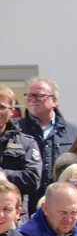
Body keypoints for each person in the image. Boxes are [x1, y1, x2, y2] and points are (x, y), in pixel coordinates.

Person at [19, 77, 77, 210]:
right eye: (29, 96)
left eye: (39, 95)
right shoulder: (15, 131)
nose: (32, 99)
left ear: (54, 100)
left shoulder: (74, 133)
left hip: (62, 207)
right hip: (25, 207)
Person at [0, 85, 42, 216]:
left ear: (12, 110)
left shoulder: (26, 143)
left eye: (1, 107)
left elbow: (33, 179)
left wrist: (4, 175)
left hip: (14, 218)